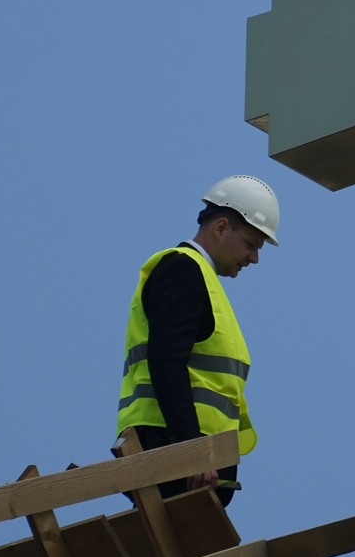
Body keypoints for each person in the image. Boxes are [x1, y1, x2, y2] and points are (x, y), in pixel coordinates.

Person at [114, 176, 279, 508]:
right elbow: (167, 362)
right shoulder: (183, 269)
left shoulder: (200, 278)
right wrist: (193, 452)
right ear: (221, 228)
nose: (254, 258)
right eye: (251, 243)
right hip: (173, 455)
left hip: (184, 458)